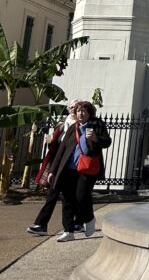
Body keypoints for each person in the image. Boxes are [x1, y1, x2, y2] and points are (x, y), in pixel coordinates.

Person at [43, 101, 111, 242]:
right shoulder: (73, 127)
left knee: (81, 196)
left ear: (89, 113)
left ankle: (89, 219)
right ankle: (68, 231)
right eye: (79, 111)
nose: (81, 113)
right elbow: (61, 150)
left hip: (87, 169)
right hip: (69, 169)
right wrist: (53, 170)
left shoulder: (97, 125)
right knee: (67, 199)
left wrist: (95, 138)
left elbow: (107, 142)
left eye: (84, 111)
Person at [26, 99, 81, 236]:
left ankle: (77, 223)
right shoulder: (63, 123)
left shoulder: (82, 125)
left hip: (72, 166)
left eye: (76, 107)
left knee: (72, 197)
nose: (73, 109)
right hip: (58, 164)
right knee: (52, 195)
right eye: (71, 107)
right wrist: (50, 141)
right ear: (68, 109)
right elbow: (57, 145)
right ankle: (41, 224)